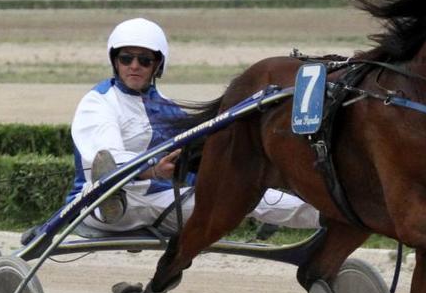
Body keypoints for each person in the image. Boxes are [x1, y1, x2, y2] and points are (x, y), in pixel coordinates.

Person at [67, 17, 320, 236]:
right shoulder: (98, 102)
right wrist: (153, 171)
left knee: (249, 192)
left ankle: (330, 214)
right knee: (239, 198)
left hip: (157, 198)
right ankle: (111, 201)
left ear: (157, 65)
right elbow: (107, 158)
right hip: (96, 202)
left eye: (144, 60)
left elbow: (195, 154)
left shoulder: (166, 106)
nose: (134, 65)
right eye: (126, 58)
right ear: (115, 61)